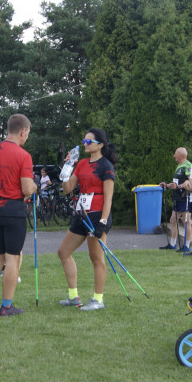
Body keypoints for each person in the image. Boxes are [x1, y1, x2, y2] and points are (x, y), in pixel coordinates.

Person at [0, 113, 38, 317]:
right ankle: (6, 306)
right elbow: (27, 189)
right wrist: (35, 186)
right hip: (13, 211)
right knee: (12, 259)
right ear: (23, 131)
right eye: (28, 133)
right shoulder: (23, 155)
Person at [56, 128, 117, 311]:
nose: (85, 144)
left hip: (98, 214)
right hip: (81, 213)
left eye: (89, 141)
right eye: (84, 140)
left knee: (96, 257)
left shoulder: (106, 166)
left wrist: (103, 222)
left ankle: (98, 299)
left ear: (100, 145)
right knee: (63, 252)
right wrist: (67, 167)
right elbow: (67, 189)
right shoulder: (82, 163)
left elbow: (108, 197)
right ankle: (73, 297)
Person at [158, 147, 192, 252]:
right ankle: (173, 244)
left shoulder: (188, 166)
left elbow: (190, 182)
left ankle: (186, 246)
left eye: (175, 154)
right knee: (173, 220)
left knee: (185, 220)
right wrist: (167, 185)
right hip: (177, 197)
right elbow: (176, 183)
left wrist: (179, 187)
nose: (174, 156)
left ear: (181, 156)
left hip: (184, 197)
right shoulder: (179, 166)